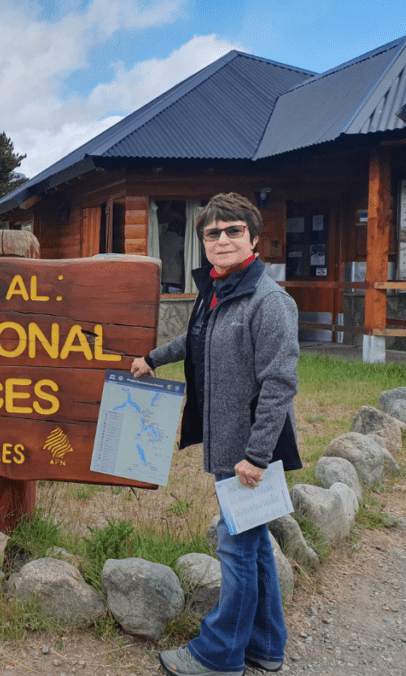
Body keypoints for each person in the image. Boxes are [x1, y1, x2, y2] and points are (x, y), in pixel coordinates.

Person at [131, 192, 301, 676]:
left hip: (249, 453)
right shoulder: (219, 290)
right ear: (202, 241)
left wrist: (256, 456)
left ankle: (220, 653)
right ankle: (266, 645)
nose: (222, 239)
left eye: (233, 231)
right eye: (213, 232)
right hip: (231, 444)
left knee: (237, 546)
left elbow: (279, 384)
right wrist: (153, 359)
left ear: (252, 238)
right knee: (252, 544)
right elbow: (197, 337)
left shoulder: (269, 300)